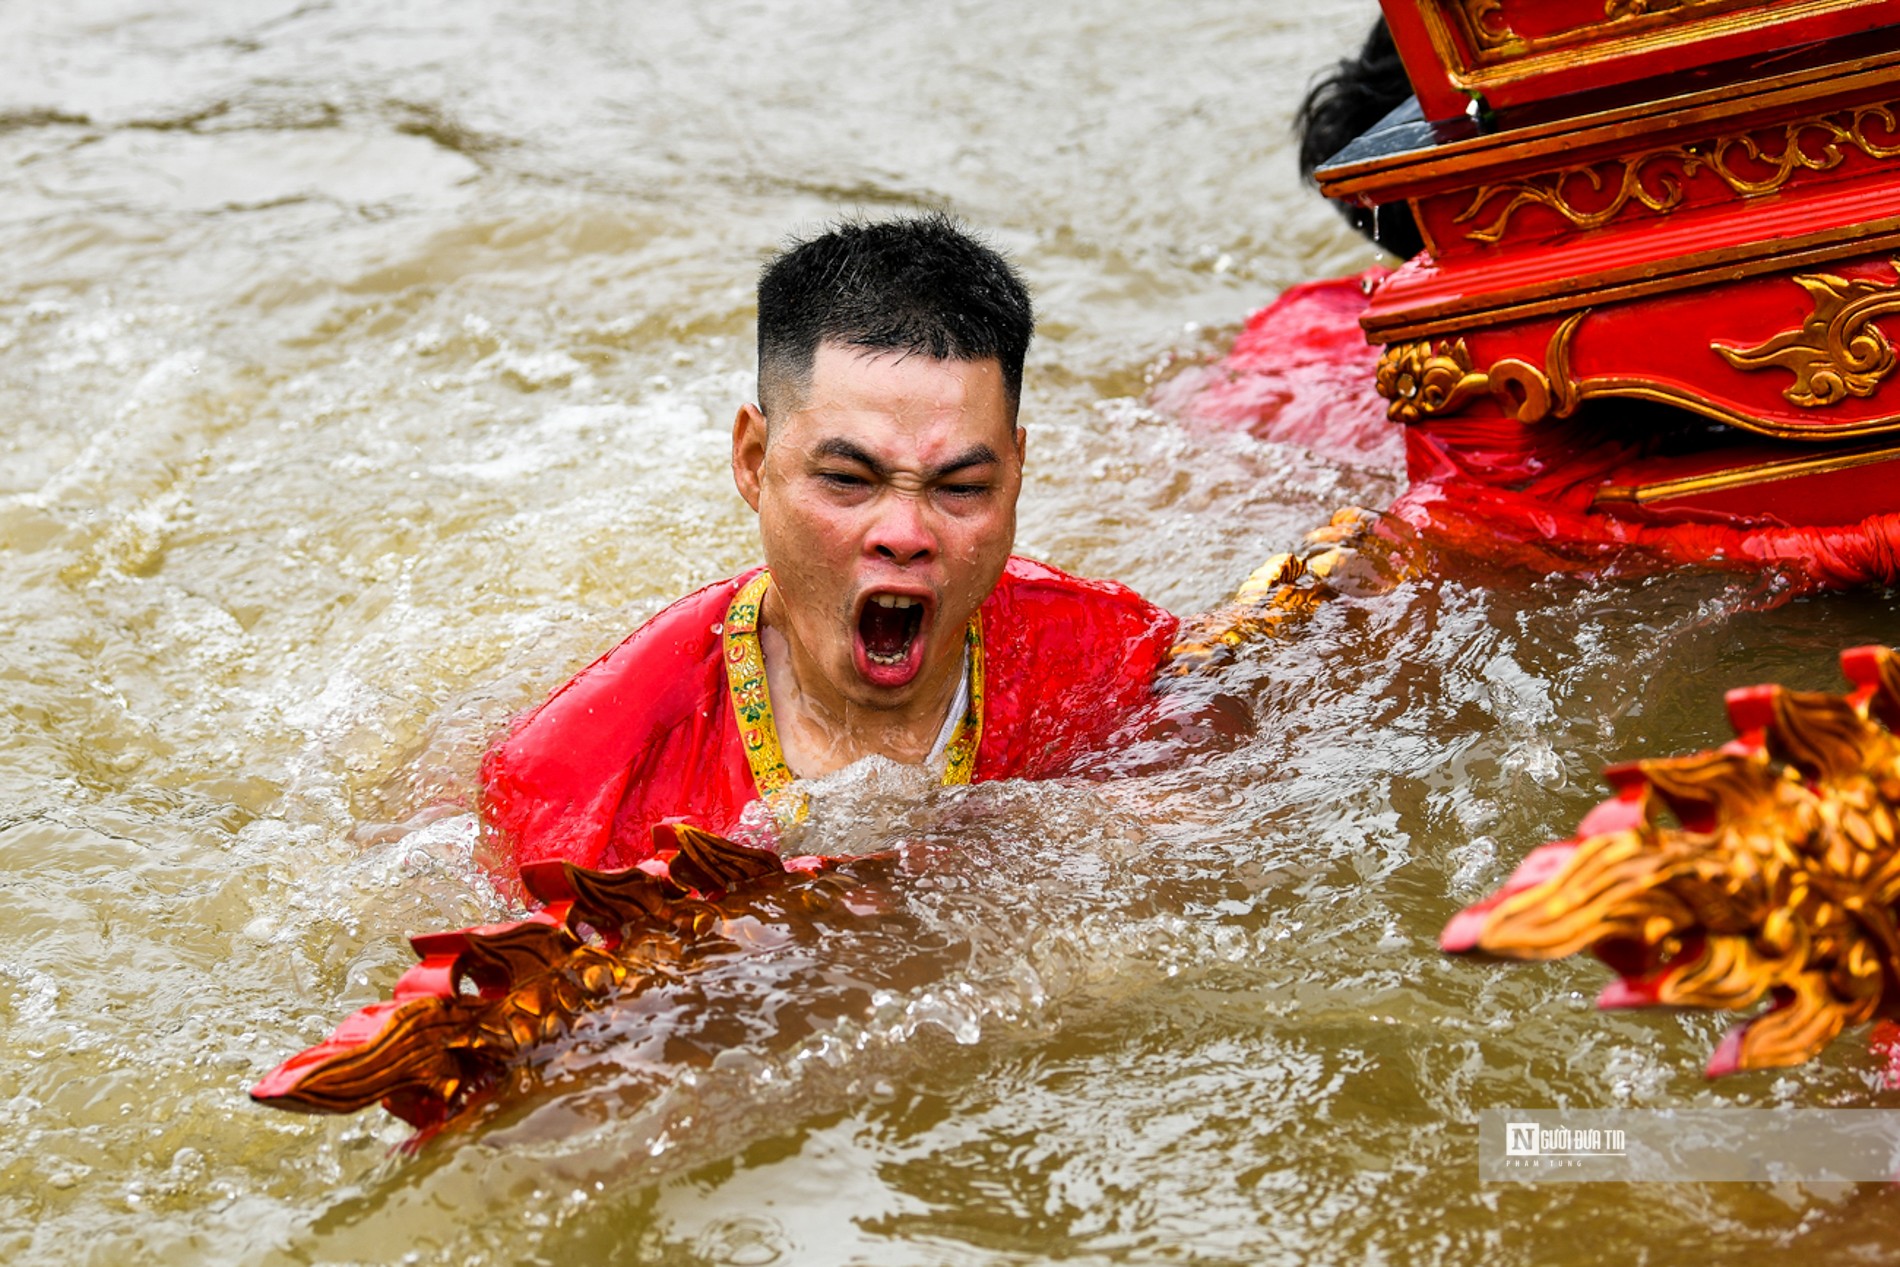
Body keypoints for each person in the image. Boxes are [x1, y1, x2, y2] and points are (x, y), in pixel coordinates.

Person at [480, 215, 1186, 873]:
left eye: (962, 488)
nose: (906, 536)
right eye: (849, 479)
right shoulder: (576, 786)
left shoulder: (1120, 665)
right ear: (755, 460)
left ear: (1017, 472)